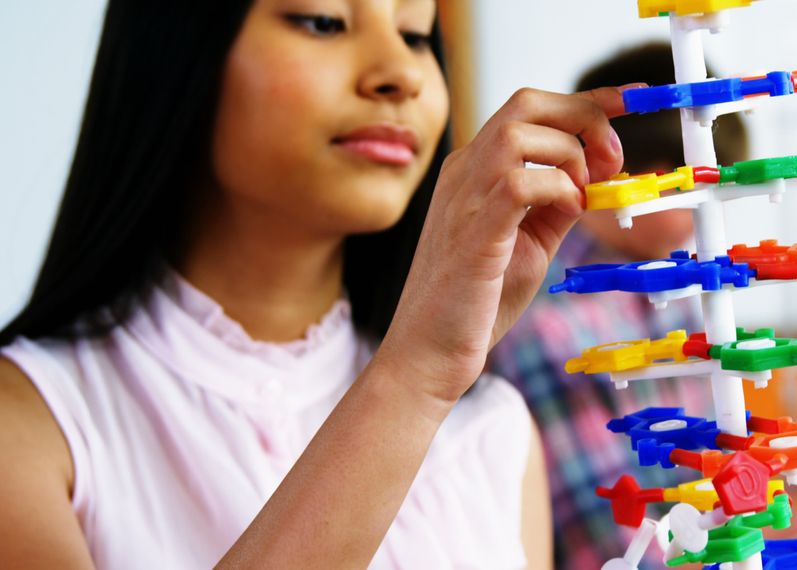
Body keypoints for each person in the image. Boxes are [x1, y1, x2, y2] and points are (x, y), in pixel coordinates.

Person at [0, 1, 634, 568]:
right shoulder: (30, 429)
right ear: (175, 53)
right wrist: (417, 372)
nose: (400, 73)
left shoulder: (493, 431)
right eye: (323, 21)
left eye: (415, 34)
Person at [489, 43, 797, 567]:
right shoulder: (550, 325)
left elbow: (706, 478)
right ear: (646, 178)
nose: (713, 217)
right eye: (707, 190)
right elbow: (623, 556)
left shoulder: (670, 291)